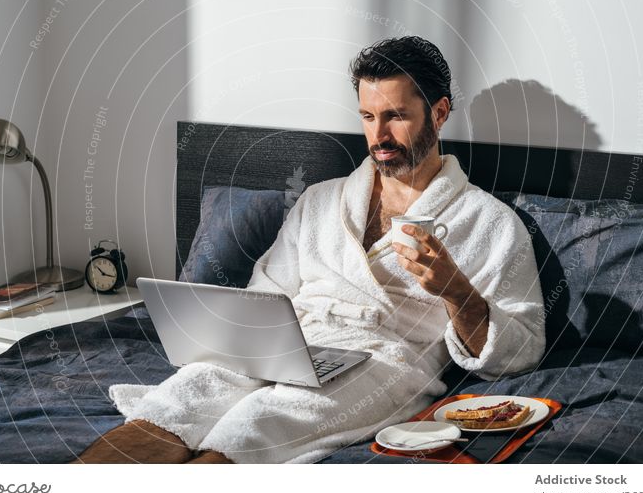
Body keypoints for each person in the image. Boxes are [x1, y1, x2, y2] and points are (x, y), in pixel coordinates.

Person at [75, 36, 545, 464]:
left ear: (439, 114)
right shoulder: (322, 199)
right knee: (177, 403)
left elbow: (521, 349)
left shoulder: (490, 224)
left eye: (396, 117)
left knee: (253, 427)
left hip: (385, 360)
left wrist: (456, 290)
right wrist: (247, 338)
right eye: (368, 116)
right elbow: (267, 293)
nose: (378, 136)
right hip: (289, 342)